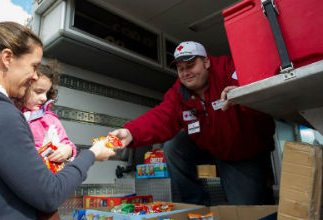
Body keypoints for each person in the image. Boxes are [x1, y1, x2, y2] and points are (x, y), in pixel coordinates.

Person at [0, 9, 115, 220]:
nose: (35, 77)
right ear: (7, 58)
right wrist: (91, 155)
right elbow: (49, 194)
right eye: (34, 66)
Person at [111, 41, 275, 205]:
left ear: (206, 62)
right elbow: (161, 117)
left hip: (244, 153)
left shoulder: (228, 69)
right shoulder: (178, 94)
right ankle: (196, 205)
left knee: (246, 212)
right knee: (173, 146)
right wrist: (131, 133)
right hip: (210, 146)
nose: (186, 72)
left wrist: (243, 95)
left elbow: (261, 88)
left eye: (190, 65)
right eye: (181, 68)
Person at [18, 62, 77, 163]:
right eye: (38, 92)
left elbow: (66, 142)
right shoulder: (11, 113)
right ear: (23, 87)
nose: (44, 98)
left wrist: (68, 150)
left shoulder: (50, 119)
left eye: (47, 93)